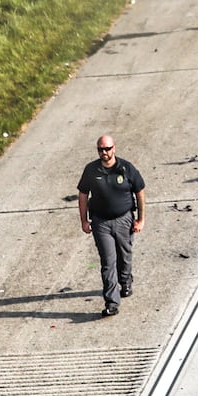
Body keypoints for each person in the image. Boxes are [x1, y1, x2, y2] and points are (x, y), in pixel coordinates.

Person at [77, 135, 146, 317]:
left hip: (124, 219)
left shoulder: (126, 168)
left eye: (107, 149)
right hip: (101, 223)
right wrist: (84, 220)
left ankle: (125, 281)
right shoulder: (91, 170)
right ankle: (112, 303)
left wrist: (140, 219)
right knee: (108, 262)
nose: (104, 152)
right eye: (101, 149)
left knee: (125, 255)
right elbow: (83, 195)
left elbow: (140, 191)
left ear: (114, 148)